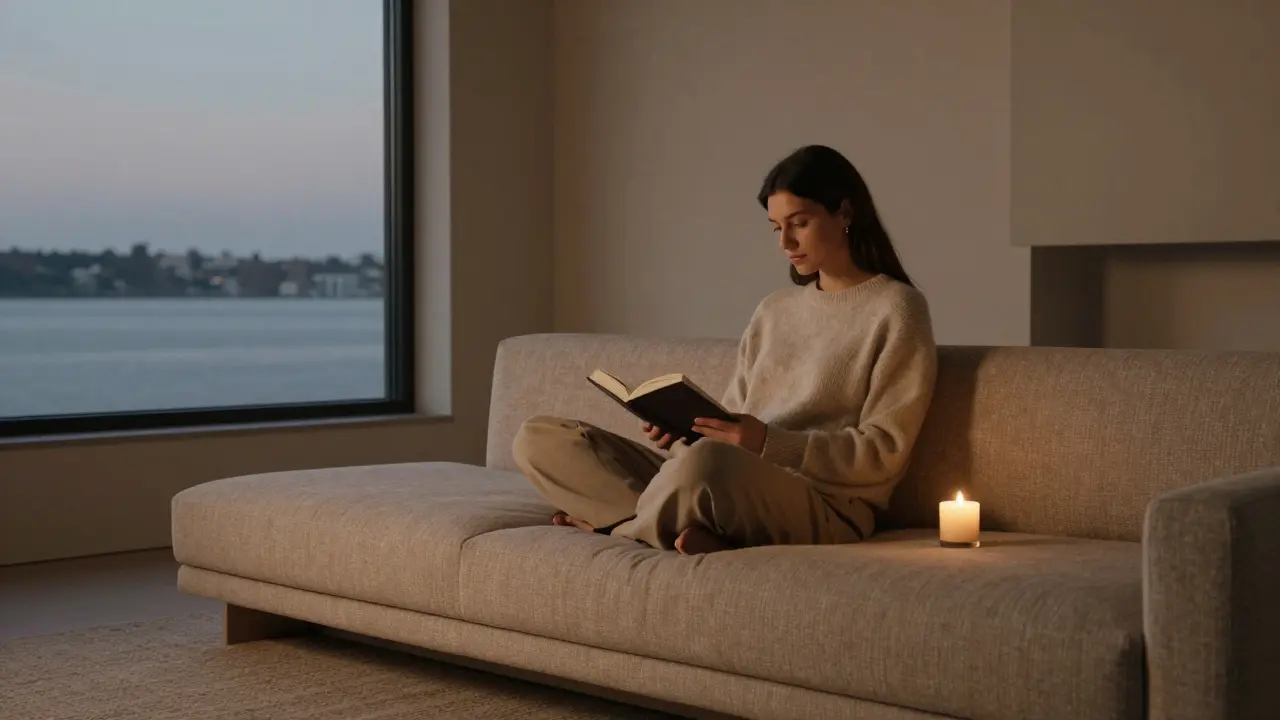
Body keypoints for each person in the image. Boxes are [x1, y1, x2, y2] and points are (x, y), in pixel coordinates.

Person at [512, 144, 938, 555]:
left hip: (824, 501)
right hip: (724, 476)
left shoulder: (897, 309)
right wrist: (683, 435)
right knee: (541, 439)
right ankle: (676, 526)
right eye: (777, 227)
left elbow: (883, 452)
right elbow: (729, 421)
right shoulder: (773, 311)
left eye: (800, 222)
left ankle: (618, 528)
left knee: (708, 465)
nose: (785, 242)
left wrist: (767, 442)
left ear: (845, 212)